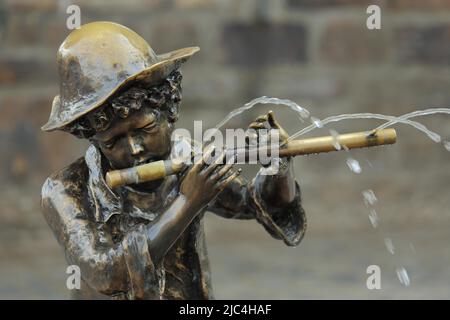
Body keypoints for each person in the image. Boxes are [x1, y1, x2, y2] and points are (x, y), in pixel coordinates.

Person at [41, 21, 307, 300]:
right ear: (93, 138)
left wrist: (279, 165)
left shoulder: (187, 157)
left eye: (144, 129)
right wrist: (187, 201)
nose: (133, 149)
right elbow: (106, 273)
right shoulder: (64, 190)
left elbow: (258, 205)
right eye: (112, 142)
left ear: (169, 112)